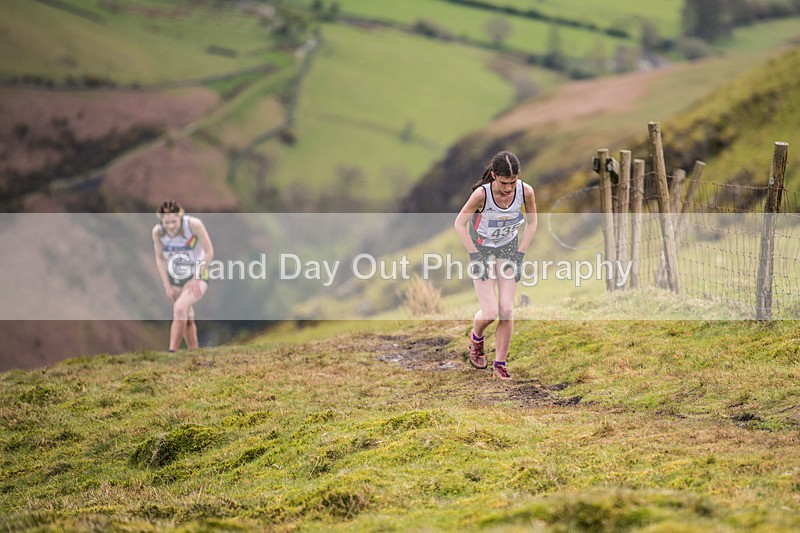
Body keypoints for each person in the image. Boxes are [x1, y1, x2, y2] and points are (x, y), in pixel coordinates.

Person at [454, 151, 537, 380]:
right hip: (480, 247)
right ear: (493, 176)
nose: (508, 188)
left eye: (512, 182)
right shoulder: (482, 194)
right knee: (490, 312)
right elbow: (460, 224)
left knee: (507, 310)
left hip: (508, 247)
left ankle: (500, 365)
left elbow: (532, 222)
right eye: (503, 183)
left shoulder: (525, 191)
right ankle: (477, 338)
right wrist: (474, 255)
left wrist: (520, 255)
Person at [152, 200, 214, 352]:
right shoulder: (158, 232)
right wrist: (167, 285)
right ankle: (194, 352)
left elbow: (209, 252)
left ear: (180, 216)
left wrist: (196, 278)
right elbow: (160, 259)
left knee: (179, 309)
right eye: (167, 223)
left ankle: (172, 351)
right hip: (176, 278)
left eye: (174, 221)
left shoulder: (194, 225)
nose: (171, 226)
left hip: (198, 274)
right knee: (187, 317)